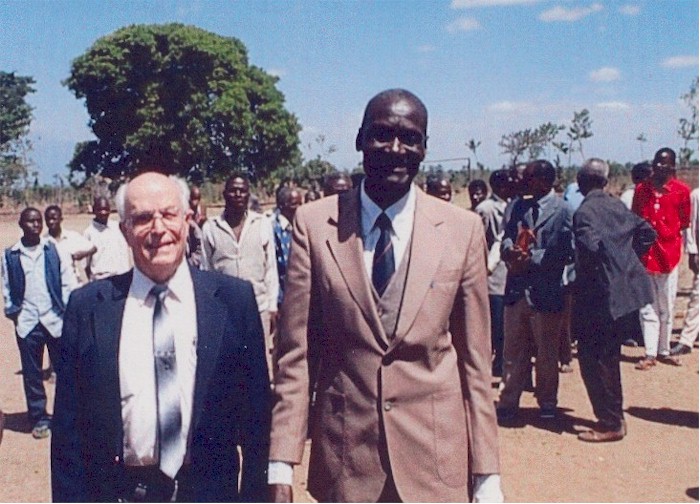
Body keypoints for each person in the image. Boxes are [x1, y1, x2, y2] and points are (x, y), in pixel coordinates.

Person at [268, 89, 502, 503]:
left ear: (424, 148)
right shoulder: (315, 224)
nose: (396, 149)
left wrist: (487, 475)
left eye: (410, 138)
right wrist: (281, 465)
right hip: (346, 461)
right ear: (360, 139)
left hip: (435, 461)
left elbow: (475, 364)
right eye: (382, 135)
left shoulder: (461, 230)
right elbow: (296, 356)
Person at [51, 171, 270, 502]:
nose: (158, 228)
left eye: (168, 214)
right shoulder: (88, 308)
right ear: (125, 230)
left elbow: (257, 421)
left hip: (210, 492)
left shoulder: (233, 302)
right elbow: (68, 434)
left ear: (186, 220)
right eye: (142, 218)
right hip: (121, 493)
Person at [572, 159, 656, 442]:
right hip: (625, 293)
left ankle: (610, 422)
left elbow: (590, 249)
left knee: (592, 358)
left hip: (600, 296)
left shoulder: (585, 212)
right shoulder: (616, 204)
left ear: (581, 183)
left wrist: (607, 267)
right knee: (609, 357)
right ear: (605, 182)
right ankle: (614, 417)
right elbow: (647, 232)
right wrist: (626, 261)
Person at [497, 159, 574, 421]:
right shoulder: (517, 206)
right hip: (517, 290)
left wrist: (534, 258)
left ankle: (547, 403)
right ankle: (508, 402)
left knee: (546, 352)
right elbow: (507, 236)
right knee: (513, 350)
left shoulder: (563, 210)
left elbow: (569, 250)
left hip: (546, 292)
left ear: (543, 181)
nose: (521, 182)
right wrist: (510, 251)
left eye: (528, 178)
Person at [2, 208, 76, 439]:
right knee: (32, 374)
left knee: (65, 370)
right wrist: (14, 313)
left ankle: (67, 416)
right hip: (27, 323)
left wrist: (68, 312)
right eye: (30, 221)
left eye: (38, 221)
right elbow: (6, 286)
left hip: (54, 320)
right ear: (20, 224)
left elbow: (67, 281)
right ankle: (39, 418)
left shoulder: (53, 250)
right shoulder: (11, 255)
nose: (35, 225)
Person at [201, 173, 279, 371]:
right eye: (233, 191)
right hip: (224, 310)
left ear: (248, 195)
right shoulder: (211, 228)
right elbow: (206, 270)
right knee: (227, 365)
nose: (237, 195)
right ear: (224, 194)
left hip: (258, 307)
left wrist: (272, 305)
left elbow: (271, 268)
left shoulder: (261, 224)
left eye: (242, 191)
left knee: (259, 364)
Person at [633, 148, 691, 369]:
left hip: (669, 255)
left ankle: (663, 350)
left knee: (666, 305)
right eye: (657, 162)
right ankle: (649, 353)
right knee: (647, 306)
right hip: (646, 255)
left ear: (672, 167)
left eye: (664, 163)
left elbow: (684, 222)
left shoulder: (681, 192)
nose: (659, 167)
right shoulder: (642, 190)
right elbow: (636, 218)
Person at [475, 169, 511, 377]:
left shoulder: (510, 205)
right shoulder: (486, 209)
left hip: (507, 273)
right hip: (491, 275)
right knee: (495, 323)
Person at [671, 186, 699, 356]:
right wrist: (692, 251)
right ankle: (686, 340)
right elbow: (690, 225)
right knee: (697, 298)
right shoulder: (697, 195)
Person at [44, 205, 97, 285]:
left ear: (61, 219)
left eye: (54, 219)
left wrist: (82, 254)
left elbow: (93, 248)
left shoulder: (71, 236)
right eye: (48, 219)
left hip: (73, 284)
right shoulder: (44, 241)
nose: (51, 222)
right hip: (54, 285)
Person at [83, 196, 131, 281]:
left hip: (122, 277)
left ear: (110, 210)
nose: (103, 212)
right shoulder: (89, 233)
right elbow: (86, 264)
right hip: (102, 279)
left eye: (106, 209)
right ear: (93, 210)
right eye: (99, 209)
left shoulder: (119, 227)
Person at [271, 186, 302, 308]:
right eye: (294, 204)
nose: (299, 208)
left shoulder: (300, 226)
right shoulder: (274, 229)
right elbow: (273, 269)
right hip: (283, 296)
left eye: (301, 203)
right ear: (281, 205)